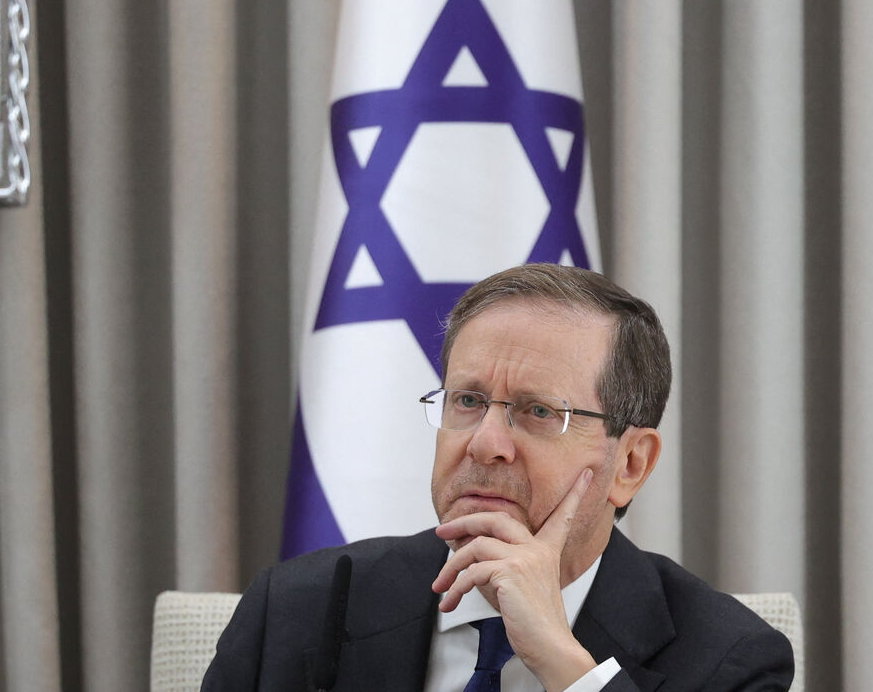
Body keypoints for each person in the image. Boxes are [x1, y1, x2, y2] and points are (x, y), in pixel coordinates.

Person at [203, 264, 794, 691]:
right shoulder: (297, 609)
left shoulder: (729, 660)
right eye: (467, 401)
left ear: (630, 464)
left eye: (538, 412)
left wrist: (568, 667)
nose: (485, 443)